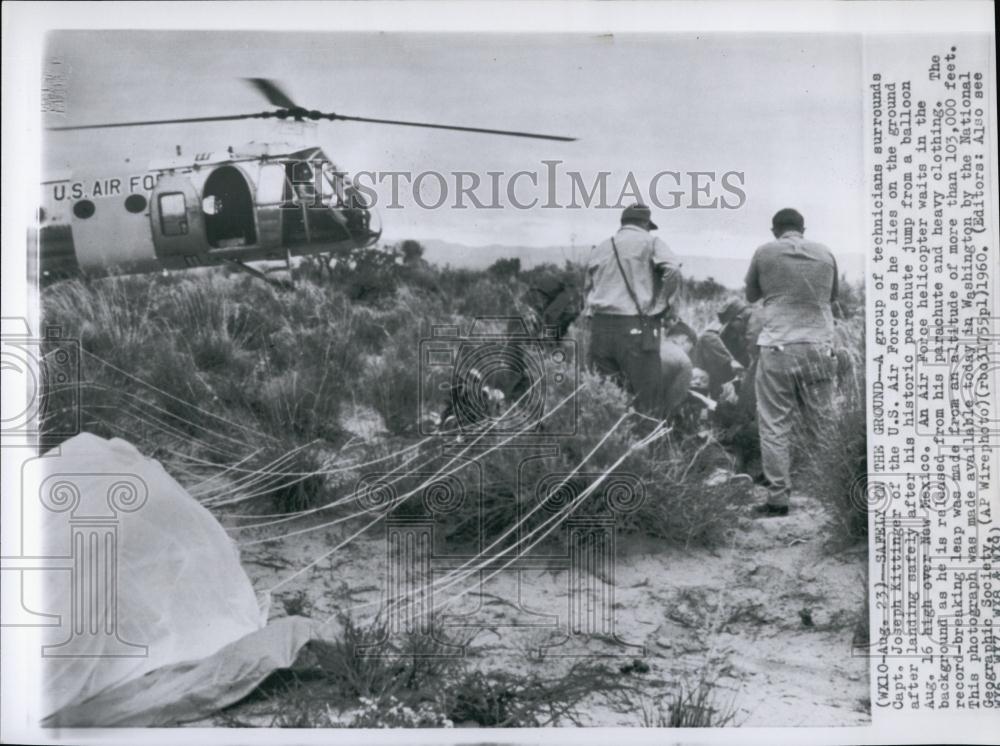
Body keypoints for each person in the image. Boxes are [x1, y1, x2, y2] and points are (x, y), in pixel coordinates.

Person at [745, 208, 839, 517]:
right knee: (824, 423)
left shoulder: (765, 251)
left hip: (778, 345)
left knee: (774, 424)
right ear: (803, 228)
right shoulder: (826, 253)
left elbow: (751, 295)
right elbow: (833, 296)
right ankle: (832, 495)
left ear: (775, 230)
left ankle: (778, 499)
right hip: (820, 346)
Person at [586, 204, 682, 416]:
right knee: (647, 401)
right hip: (635, 328)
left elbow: (588, 289)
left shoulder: (600, 247)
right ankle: (647, 448)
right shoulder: (652, 242)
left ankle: (612, 446)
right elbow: (673, 270)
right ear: (646, 224)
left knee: (606, 400)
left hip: (600, 330)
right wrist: (659, 307)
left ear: (623, 223)